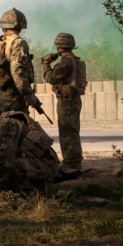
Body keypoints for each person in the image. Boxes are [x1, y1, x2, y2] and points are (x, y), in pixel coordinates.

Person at [0, 92, 59, 192]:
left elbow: (5, 156)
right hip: (41, 163)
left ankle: (31, 191)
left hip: (46, 166)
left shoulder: (6, 124)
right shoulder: (4, 122)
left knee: (6, 166)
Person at [0, 8, 41, 115]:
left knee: (1, 127)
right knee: (16, 126)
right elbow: (17, 72)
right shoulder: (18, 42)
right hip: (12, 95)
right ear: (20, 25)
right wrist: (28, 95)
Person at [43, 32, 87, 171]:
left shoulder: (65, 63)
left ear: (60, 47)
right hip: (74, 99)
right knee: (73, 130)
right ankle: (74, 161)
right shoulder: (77, 61)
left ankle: (71, 163)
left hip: (67, 101)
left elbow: (51, 79)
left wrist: (46, 63)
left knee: (67, 131)